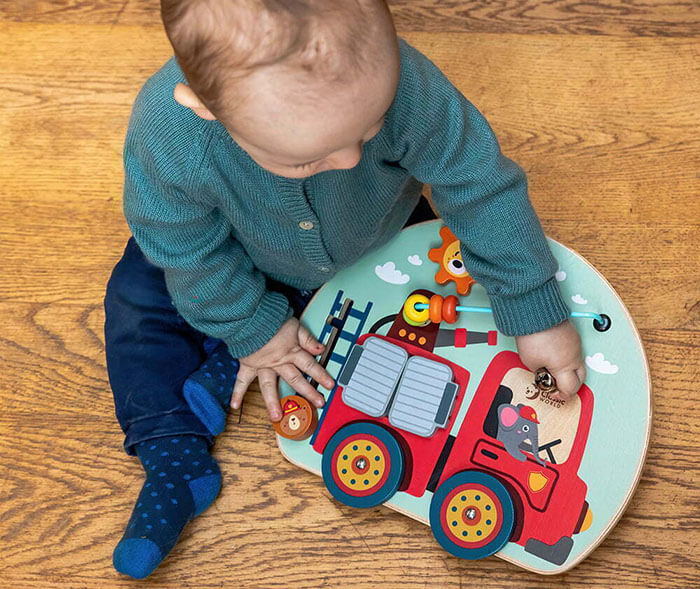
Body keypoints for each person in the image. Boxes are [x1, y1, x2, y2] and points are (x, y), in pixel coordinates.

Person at [104, 0, 585, 579]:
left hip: (376, 242)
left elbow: (477, 183)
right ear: (206, 109)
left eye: (371, 126)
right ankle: (173, 456)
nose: (354, 157)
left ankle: (249, 350)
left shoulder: (403, 82)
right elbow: (186, 251)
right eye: (308, 160)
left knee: (411, 320)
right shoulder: (167, 136)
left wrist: (532, 306)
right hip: (224, 253)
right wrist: (253, 327)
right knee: (136, 306)